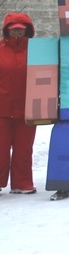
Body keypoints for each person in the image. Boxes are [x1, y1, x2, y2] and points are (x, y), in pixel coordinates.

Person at [0, 13, 35, 194]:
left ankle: (22, 183)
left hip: (27, 108)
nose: (17, 33)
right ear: (7, 29)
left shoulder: (36, 52)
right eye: (14, 29)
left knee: (23, 149)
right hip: (2, 109)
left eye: (21, 30)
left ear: (28, 30)